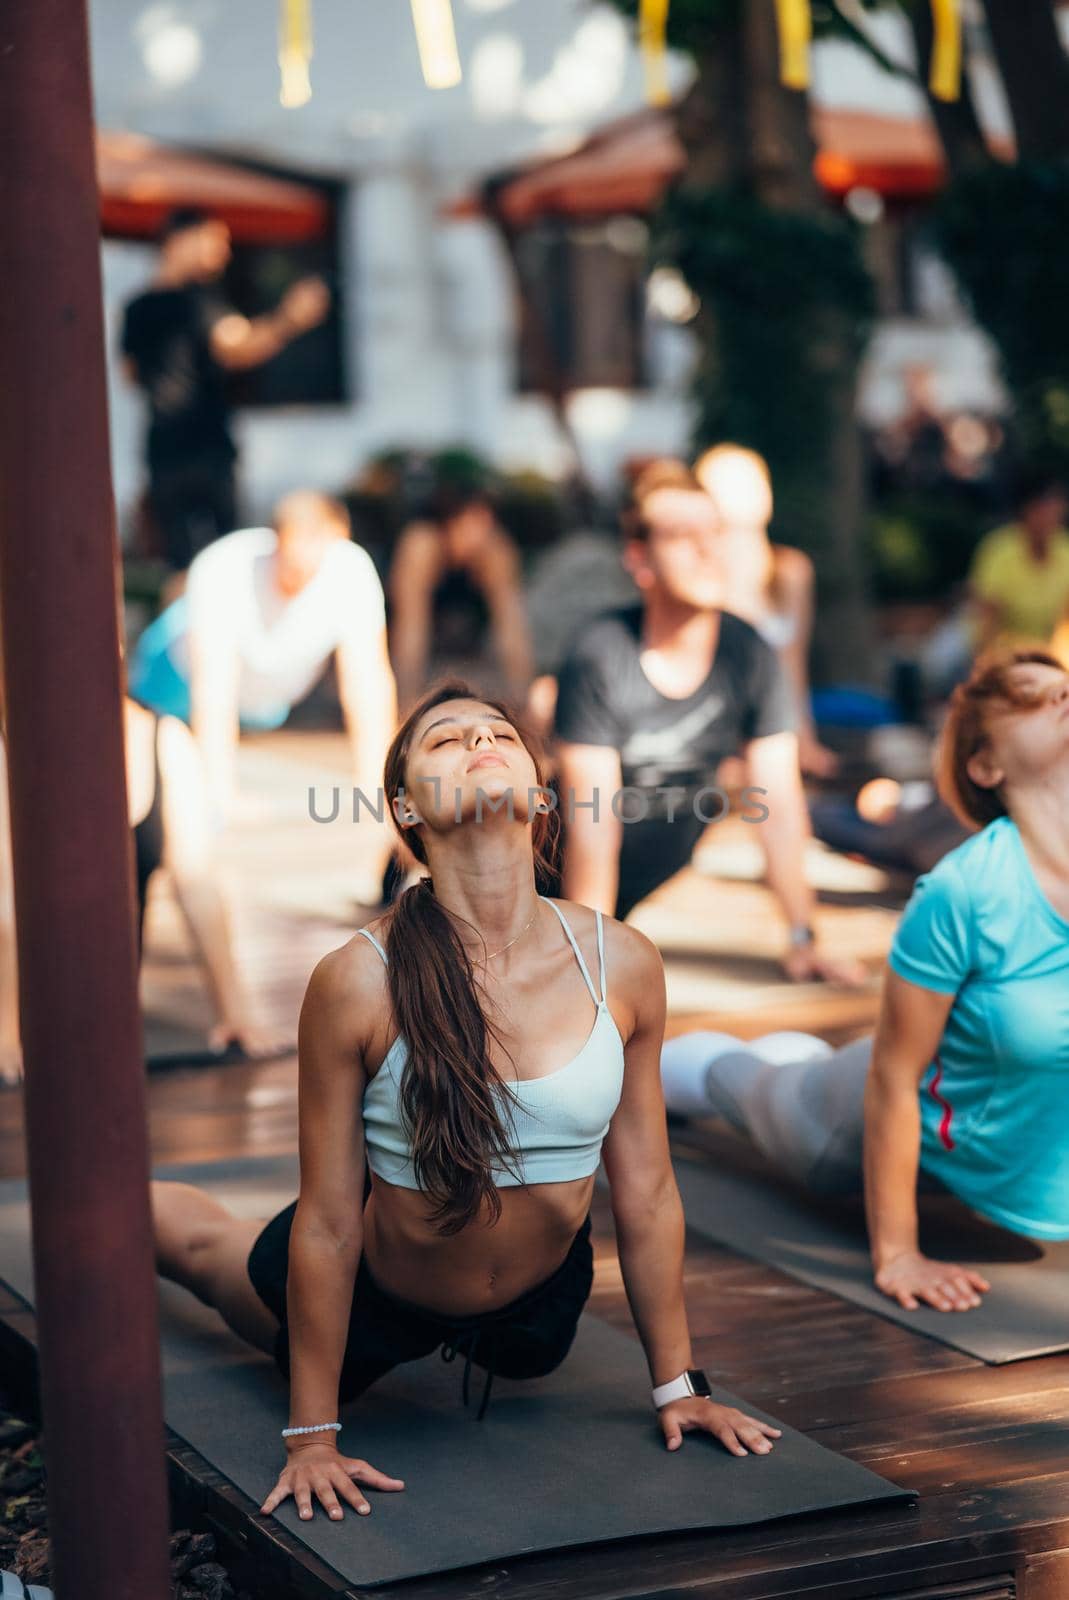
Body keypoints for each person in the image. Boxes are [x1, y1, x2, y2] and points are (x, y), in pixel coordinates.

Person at [149, 681, 781, 1525]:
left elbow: (648, 1191)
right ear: (406, 808)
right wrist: (311, 1435)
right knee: (200, 1247)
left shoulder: (620, 961)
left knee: (531, 1341)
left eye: (499, 734)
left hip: (537, 1312)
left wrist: (679, 1386)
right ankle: (98, 1203)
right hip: (376, 1292)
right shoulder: (356, 980)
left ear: (542, 792)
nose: (480, 742)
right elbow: (331, 1222)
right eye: (446, 741)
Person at [660, 650, 1069, 1313]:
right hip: (849, 1123)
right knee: (743, 1084)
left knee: (797, 1061)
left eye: (1063, 687)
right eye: (1030, 696)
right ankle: (648, 1067)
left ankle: (793, 1055)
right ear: (985, 765)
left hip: (967, 1115)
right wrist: (898, 1252)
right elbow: (890, 1079)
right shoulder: (965, 892)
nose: (1059, 699)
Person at [551, 473, 864, 985]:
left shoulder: (750, 654)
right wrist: (592, 959)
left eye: (714, 532)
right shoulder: (601, 653)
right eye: (680, 535)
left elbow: (779, 807)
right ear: (640, 560)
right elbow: (593, 828)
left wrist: (804, 937)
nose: (706, 549)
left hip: (630, 890)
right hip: (543, 889)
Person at [0, 694, 281, 1083]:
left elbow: (197, 883)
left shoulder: (163, 740)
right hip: (23, 1007)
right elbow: (8, 900)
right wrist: (7, 1031)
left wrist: (234, 1013)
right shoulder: (9, 744)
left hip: (108, 1008)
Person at [129, 492, 397, 892]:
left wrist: (376, 784)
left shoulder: (351, 569)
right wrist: (221, 793)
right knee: (159, 742)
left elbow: (367, 680)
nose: (303, 569)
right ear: (276, 544)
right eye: (293, 558)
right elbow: (212, 685)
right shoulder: (225, 568)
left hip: (266, 695)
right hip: (174, 676)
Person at [120, 208, 330, 571]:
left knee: (181, 565)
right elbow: (237, 347)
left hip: (162, 450)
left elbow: (131, 374)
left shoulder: (137, 307)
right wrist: (290, 319)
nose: (223, 254)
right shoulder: (198, 301)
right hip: (206, 450)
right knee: (227, 563)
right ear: (182, 240)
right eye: (215, 242)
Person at [693, 445, 838, 778]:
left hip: (778, 742)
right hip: (725, 754)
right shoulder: (701, 583)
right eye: (728, 482)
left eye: (751, 479)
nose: (745, 493)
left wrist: (805, 740)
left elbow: (793, 665)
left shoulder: (792, 573)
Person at [387, 484, 533, 715]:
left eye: (488, 522)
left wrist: (524, 699)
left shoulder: (495, 549)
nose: (482, 532)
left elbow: (512, 629)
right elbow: (410, 628)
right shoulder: (421, 545)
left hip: (466, 661)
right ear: (450, 522)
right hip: (411, 663)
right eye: (473, 521)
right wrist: (404, 703)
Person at [968, 470, 1069, 653]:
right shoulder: (999, 549)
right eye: (1044, 506)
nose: (1052, 514)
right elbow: (988, 620)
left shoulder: (1065, 549)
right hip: (1003, 649)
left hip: (1050, 651)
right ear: (1026, 509)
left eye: (1057, 505)